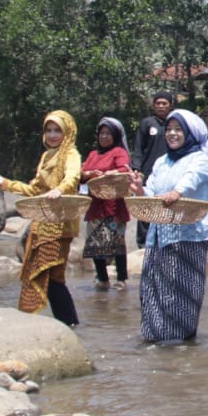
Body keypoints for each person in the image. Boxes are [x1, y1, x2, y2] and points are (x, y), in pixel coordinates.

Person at [0, 111, 82, 327]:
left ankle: (69, 323)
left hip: (61, 223)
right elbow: (34, 190)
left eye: (57, 130)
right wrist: (6, 183)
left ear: (67, 132)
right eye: (48, 130)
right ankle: (67, 324)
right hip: (42, 221)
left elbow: (73, 177)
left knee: (51, 275)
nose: (52, 135)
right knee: (50, 276)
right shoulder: (46, 157)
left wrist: (59, 190)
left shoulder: (71, 154)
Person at [134, 108, 208, 343]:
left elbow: (192, 178)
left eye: (178, 129)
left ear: (190, 133)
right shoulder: (161, 161)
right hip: (160, 234)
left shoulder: (200, 158)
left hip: (188, 235)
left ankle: (180, 340)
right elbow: (152, 192)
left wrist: (177, 192)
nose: (172, 134)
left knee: (183, 290)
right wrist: (138, 189)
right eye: (169, 129)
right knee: (153, 286)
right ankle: (154, 336)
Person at [81, 117, 132, 289]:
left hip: (113, 204)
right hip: (96, 204)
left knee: (117, 242)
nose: (103, 137)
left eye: (108, 134)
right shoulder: (93, 154)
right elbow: (82, 173)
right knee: (95, 242)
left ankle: (121, 279)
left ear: (115, 136)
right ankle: (102, 278)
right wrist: (88, 174)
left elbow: (125, 168)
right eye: (101, 133)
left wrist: (112, 172)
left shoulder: (119, 151)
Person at [131, 92, 174, 248]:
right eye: (158, 103)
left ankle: (165, 242)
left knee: (167, 205)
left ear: (171, 105)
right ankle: (143, 244)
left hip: (170, 172)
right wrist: (136, 168)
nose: (161, 106)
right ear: (153, 105)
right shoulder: (147, 123)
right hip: (148, 172)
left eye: (164, 103)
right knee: (146, 206)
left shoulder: (174, 124)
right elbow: (138, 147)